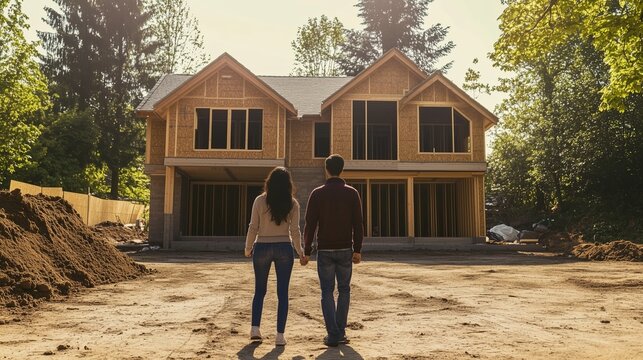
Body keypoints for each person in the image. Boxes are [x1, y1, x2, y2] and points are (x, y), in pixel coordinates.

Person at [302, 154, 364, 347]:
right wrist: (357, 249)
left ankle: (333, 334)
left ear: (326, 169)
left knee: (327, 291)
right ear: (342, 169)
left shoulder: (317, 193)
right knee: (344, 290)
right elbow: (358, 224)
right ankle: (340, 332)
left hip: (325, 250)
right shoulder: (352, 193)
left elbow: (310, 225)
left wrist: (307, 250)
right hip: (346, 249)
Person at [245, 167, 306, 346]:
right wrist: (300, 251)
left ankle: (255, 329)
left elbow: (253, 227)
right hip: (284, 248)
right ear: (288, 184)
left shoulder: (259, 200)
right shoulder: (293, 203)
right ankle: (280, 335)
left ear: (269, 182)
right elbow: (295, 231)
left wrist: (248, 247)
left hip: (262, 247)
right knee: (283, 293)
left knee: (259, 291)